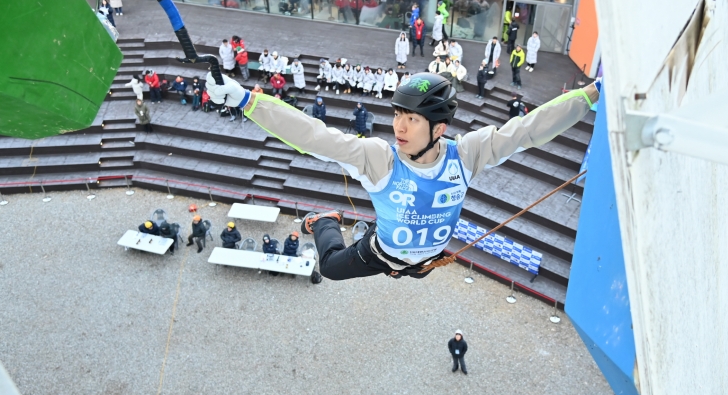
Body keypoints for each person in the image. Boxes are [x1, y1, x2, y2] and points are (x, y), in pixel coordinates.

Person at [204, 71, 597, 281]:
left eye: (412, 119)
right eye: (397, 115)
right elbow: (314, 136)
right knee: (331, 269)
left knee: (416, 274)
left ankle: (396, 254)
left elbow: (527, 130)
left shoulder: (467, 154)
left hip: (425, 259)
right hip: (380, 254)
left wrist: (592, 94)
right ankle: (326, 221)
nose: (399, 127)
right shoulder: (380, 158)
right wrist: (247, 101)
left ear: (439, 129)